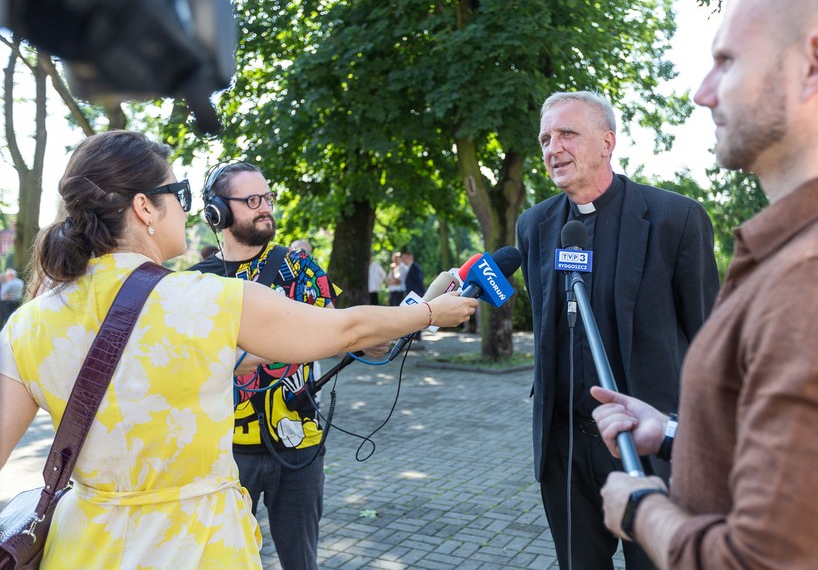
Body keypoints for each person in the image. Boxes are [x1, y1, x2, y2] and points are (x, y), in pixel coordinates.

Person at [0, 131, 478, 569]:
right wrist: (430, 314)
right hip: (198, 548)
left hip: (85, 550)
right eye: (178, 195)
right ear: (145, 208)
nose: (186, 210)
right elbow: (347, 329)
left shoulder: (28, 323)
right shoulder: (204, 299)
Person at [590, 0, 818, 568]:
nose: (703, 92)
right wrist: (680, 434)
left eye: (727, 60)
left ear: (814, 63)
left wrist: (641, 511)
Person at [516, 90, 719, 570]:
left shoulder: (676, 219)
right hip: (564, 449)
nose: (552, 147)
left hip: (650, 448)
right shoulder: (535, 225)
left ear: (607, 142)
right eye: (545, 138)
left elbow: (708, 343)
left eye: (567, 133)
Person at [190, 161, 385, 570]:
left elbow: (341, 333)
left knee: (301, 562)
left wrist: (403, 323)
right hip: (221, 454)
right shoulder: (194, 284)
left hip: (299, 449)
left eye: (268, 198)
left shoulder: (300, 270)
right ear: (217, 212)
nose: (266, 208)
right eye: (252, 200)